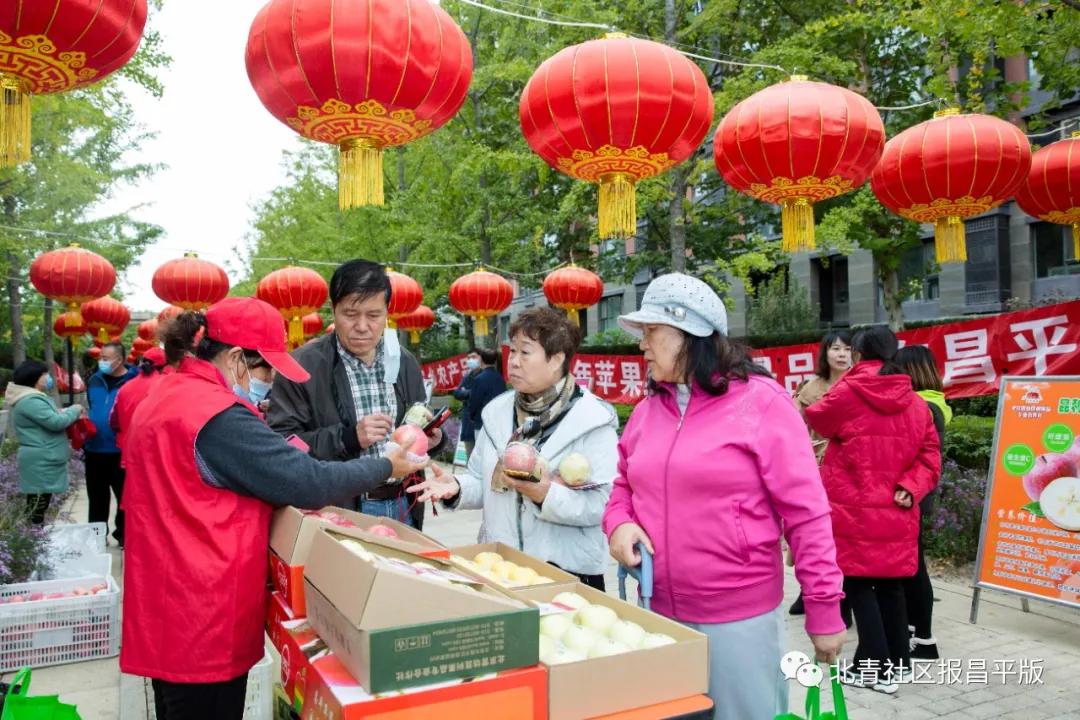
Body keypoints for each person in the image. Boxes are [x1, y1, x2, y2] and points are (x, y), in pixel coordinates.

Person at [120, 297, 429, 720]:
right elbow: (307, 482)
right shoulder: (217, 415)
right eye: (265, 369)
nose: (269, 382)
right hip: (203, 611)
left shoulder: (166, 394)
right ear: (235, 359)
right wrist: (383, 465)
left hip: (166, 599)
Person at [592, 274, 846, 719]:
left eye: (651, 332)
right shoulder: (649, 410)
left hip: (737, 615)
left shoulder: (762, 403)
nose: (642, 346)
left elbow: (806, 514)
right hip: (657, 610)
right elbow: (623, 488)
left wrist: (824, 609)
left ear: (691, 333)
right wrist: (620, 523)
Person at [409, 308, 618, 590]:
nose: (514, 362)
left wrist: (544, 494)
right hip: (501, 568)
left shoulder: (592, 420)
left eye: (525, 353)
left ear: (556, 359)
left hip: (567, 573)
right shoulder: (497, 412)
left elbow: (602, 505)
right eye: (513, 351)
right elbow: (481, 481)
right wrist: (457, 487)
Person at [805, 326, 940, 694]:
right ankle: (899, 663)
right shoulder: (915, 403)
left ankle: (875, 670)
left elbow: (817, 417)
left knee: (859, 586)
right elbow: (930, 458)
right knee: (892, 586)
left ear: (860, 355)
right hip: (897, 509)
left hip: (854, 509)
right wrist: (911, 487)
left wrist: (845, 382)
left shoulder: (849, 391)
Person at [268, 260, 444, 528]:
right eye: (350, 314)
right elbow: (284, 443)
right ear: (334, 310)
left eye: (373, 316)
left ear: (387, 313)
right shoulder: (302, 367)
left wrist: (432, 438)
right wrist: (348, 438)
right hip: (339, 508)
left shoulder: (403, 361)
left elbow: (418, 418)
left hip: (403, 504)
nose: (362, 326)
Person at [894, 345, 951, 661]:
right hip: (918, 494)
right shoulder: (933, 403)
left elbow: (919, 457)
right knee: (912, 565)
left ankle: (925, 640)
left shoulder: (924, 407)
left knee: (913, 568)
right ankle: (916, 632)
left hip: (913, 495)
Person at [789, 330, 851, 617]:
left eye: (848, 349)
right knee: (812, 530)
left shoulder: (858, 386)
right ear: (824, 353)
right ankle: (808, 589)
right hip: (813, 469)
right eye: (836, 348)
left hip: (848, 471)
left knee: (844, 535)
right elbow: (792, 427)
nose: (842, 354)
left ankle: (844, 597)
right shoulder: (810, 388)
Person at [4, 361, 83, 524]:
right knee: (37, 506)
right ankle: (30, 541)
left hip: (42, 457)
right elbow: (55, 422)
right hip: (41, 460)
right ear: (34, 378)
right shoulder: (30, 400)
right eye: (44, 374)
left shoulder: (31, 398)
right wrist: (75, 410)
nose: (48, 377)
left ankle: (32, 539)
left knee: (39, 504)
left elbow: (47, 418)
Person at [84, 341, 137, 546]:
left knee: (124, 497)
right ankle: (97, 537)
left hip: (121, 451)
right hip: (94, 449)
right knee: (96, 497)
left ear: (120, 360)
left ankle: (123, 534)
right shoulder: (94, 380)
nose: (101, 362)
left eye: (106, 358)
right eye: (100, 358)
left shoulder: (134, 381)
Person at [111, 347, 171, 458]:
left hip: (129, 452)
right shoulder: (166, 387)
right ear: (164, 366)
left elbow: (114, 423)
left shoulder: (125, 387)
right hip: (154, 453)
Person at [452, 346, 506, 458]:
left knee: (483, 458)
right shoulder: (468, 376)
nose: (470, 360)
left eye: (473, 357)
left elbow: (474, 400)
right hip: (471, 424)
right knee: (471, 456)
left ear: (481, 359)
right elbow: (457, 393)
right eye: (468, 357)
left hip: (480, 422)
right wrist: (470, 393)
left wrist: (468, 393)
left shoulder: (482, 377)